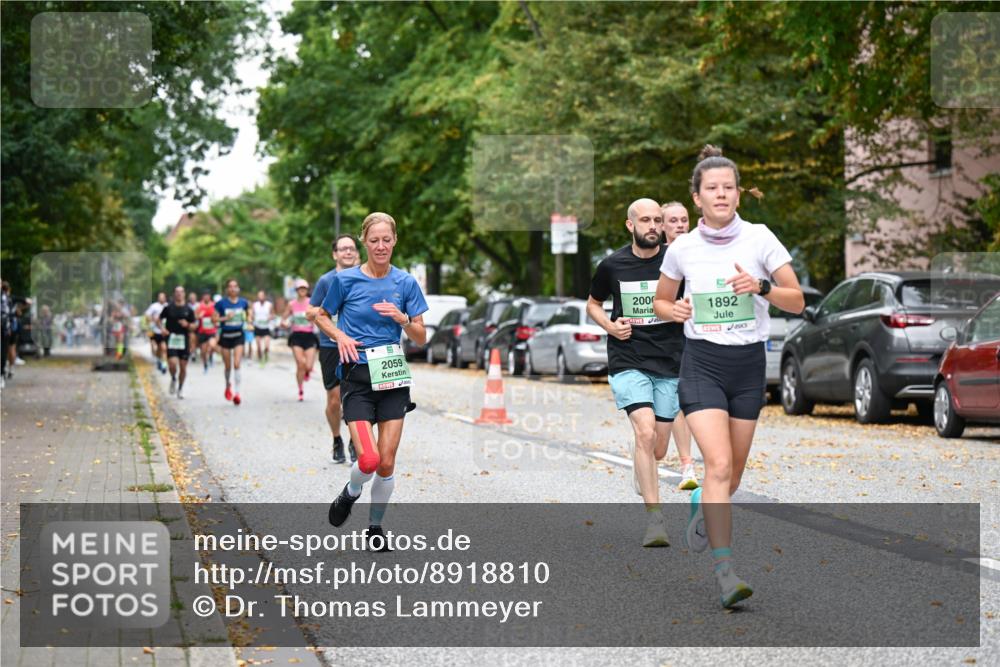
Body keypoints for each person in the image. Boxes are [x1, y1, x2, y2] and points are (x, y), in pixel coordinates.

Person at [654, 144, 804, 608]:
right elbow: (662, 301)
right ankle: (725, 573)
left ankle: (704, 507)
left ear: (739, 194)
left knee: (732, 477)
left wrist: (760, 286)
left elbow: (796, 300)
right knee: (716, 466)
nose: (721, 194)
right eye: (712, 188)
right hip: (701, 363)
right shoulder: (682, 248)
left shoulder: (760, 239)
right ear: (696, 198)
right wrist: (674, 309)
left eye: (728, 187)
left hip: (747, 366)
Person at [316, 212, 428, 549]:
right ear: (365, 242)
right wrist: (340, 336)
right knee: (368, 460)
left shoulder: (406, 283)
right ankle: (350, 492)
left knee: (387, 461)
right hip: (357, 378)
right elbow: (321, 316)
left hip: (392, 376)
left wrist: (403, 319)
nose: (381, 246)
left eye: (386, 240)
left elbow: (421, 336)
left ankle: (375, 528)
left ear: (394, 241)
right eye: (374, 240)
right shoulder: (345, 281)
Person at [587, 198, 688, 548]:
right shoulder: (613, 265)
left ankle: (643, 461)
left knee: (658, 447)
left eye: (658, 220)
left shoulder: (676, 262)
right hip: (628, 357)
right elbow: (593, 304)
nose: (653, 226)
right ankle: (655, 520)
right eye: (645, 220)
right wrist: (610, 327)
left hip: (671, 361)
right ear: (630, 225)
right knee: (644, 433)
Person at [308, 234, 361, 463]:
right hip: (331, 345)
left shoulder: (364, 278)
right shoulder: (326, 281)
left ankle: (354, 441)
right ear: (335, 254)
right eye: (343, 249)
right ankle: (337, 438)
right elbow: (310, 312)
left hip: (358, 346)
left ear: (357, 252)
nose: (347, 252)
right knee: (333, 399)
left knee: (356, 397)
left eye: (351, 248)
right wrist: (329, 310)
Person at [658, 201, 701, 491]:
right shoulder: (654, 257)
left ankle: (688, 464)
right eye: (672, 220)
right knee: (669, 404)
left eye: (684, 219)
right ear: (661, 226)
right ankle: (648, 453)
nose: (680, 225)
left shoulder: (700, 254)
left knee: (685, 400)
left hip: (695, 336)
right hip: (660, 338)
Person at [214, 279, 250, 405]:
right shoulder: (221, 304)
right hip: (225, 336)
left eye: (235, 286)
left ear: (238, 289)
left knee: (236, 363)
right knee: (228, 366)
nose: (233, 289)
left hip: (238, 335)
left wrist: (249, 321)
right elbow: (214, 320)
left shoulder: (244, 302)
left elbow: (249, 315)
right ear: (227, 289)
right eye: (230, 286)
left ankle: (238, 393)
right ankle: (227, 384)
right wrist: (225, 318)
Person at [282, 279, 319, 401]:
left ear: (307, 290)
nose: (302, 290)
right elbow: (284, 318)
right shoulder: (291, 304)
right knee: (300, 364)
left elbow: (319, 317)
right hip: (296, 336)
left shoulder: (311, 303)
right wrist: (284, 323)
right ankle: (300, 389)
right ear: (297, 290)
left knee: (308, 366)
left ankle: (307, 372)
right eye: (300, 288)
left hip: (309, 336)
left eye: (304, 288)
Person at [157, 286, 197, 398]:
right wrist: (162, 329)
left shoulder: (189, 309)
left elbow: (194, 326)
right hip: (172, 339)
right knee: (173, 364)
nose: (179, 294)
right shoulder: (169, 308)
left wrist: (188, 325)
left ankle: (180, 388)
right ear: (174, 294)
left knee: (183, 367)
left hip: (184, 340)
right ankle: (173, 378)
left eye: (181, 292)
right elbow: (158, 320)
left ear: (184, 294)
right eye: (177, 292)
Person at [144, 292, 168, 373]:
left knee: (163, 348)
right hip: (153, 330)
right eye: (160, 297)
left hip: (163, 331)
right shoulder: (154, 306)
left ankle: (164, 365)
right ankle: (157, 360)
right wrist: (152, 319)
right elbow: (146, 315)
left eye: (163, 297)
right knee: (155, 347)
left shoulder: (167, 306)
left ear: (165, 298)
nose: (161, 298)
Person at [195, 291, 217, 373]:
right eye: (205, 296)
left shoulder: (214, 305)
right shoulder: (199, 306)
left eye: (207, 296)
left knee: (212, 345)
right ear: (203, 297)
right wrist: (199, 316)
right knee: (203, 351)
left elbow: (217, 315)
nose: (206, 297)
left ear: (209, 296)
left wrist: (215, 318)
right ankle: (205, 365)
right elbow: (195, 316)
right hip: (202, 331)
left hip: (212, 330)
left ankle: (211, 356)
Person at [252, 290, 274, 366]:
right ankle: (261, 359)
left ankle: (266, 355)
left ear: (265, 296)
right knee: (258, 347)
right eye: (259, 296)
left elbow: (272, 314)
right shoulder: (255, 305)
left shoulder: (269, 305)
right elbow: (252, 314)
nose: (260, 297)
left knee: (267, 346)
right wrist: (251, 318)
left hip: (266, 327)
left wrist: (270, 317)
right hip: (257, 327)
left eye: (262, 296)